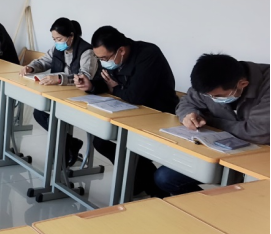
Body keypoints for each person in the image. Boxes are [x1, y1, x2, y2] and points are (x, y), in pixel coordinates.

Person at [75, 26, 178, 198]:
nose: (103, 62)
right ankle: (140, 182)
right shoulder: (113, 58)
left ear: (121, 50)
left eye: (104, 58)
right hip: (129, 113)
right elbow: (104, 80)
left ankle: (157, 192)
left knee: (132, 148)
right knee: (102, 141)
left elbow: (136, 96)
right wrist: (91, 85)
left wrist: (115, 88)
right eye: (99, 58)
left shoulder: (148, 54)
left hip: (158, 114)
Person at [154, 54, 270, 195]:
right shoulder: (208, 79)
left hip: (261, 158)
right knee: (165, 178)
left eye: (218, 96)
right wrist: (188, 115)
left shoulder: (267, 85)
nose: (212, 99)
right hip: (220, 150)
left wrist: (208, 120)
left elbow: (259, 132)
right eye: (208, 96)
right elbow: (186, 102)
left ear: (242, 84)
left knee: (246, 196)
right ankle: (207, 207)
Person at [19, 18, 97, 166]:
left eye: (59, 39)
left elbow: (84, 77)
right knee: (40, 113)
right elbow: (44, 61)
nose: (56, 42)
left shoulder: (87, 51)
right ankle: (70, 143)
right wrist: (31, 67)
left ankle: (63, 154)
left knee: (55, 117)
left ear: (71, 36)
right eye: (54, 39)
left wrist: (60, 78)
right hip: (59, 93)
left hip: (80, 95)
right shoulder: (57, 48)